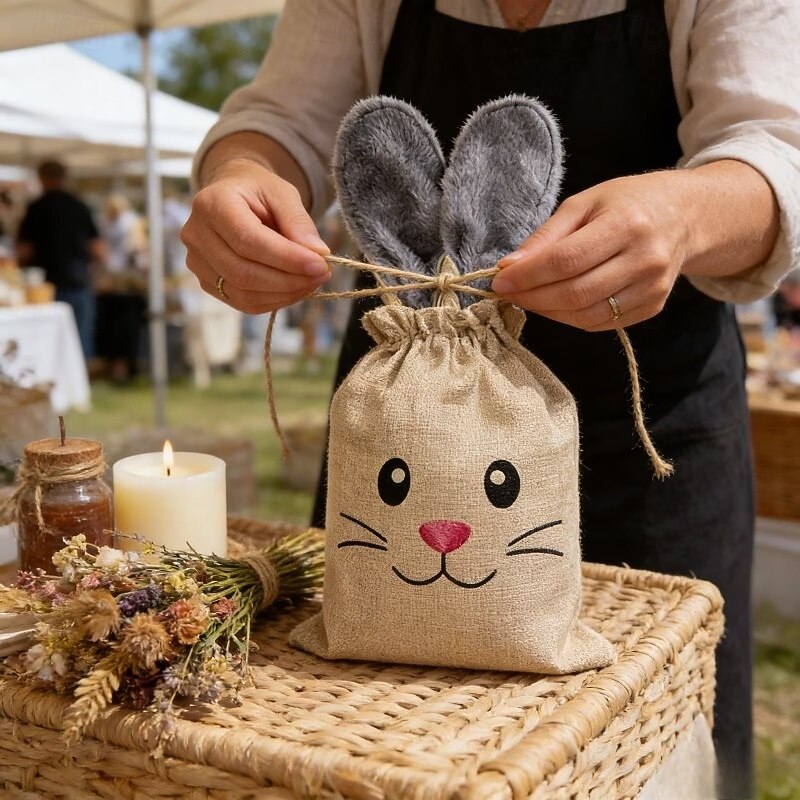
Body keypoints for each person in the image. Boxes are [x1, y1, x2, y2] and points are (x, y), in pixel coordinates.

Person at [182, 2, 800, 797]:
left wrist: (680, 214)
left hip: (651, 433)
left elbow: (774, 145)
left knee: (655, 752)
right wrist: (243, 177)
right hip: (408, 433)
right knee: (370, 745)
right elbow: (279, 117)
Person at [16, 161, 104, 356]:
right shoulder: (80, 206)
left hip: (43, 285)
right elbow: (98, 249)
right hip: (77, 280)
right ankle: (79, 382)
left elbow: (24, 250)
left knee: (46, 341)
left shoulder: (36, 208)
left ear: (42, 178)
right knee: (79, 340)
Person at [95, 195, 148, 383]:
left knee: (123, 328)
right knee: (117, 328)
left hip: (126, 284)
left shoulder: (130, 223)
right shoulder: (118, 223)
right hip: (117, 284)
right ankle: (118, 366)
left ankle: (123, 366)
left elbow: (137, 253)